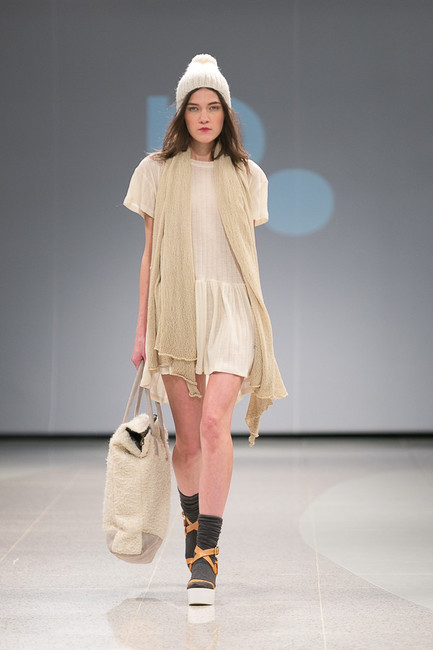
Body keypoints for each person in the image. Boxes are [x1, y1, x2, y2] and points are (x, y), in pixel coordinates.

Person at [123, 54, 287, 606]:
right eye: (194, 107)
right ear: (181, 113)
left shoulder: (248, 175)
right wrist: (142, 329)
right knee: (189, 439)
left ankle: (206, 555)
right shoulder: (155, 171)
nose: (203, 116)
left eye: (212, 106)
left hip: (232, 307)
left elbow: (245, 252)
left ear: (226, 113)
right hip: (177, 309)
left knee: (217, 423)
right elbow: (149, 256)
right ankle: (192, 527)